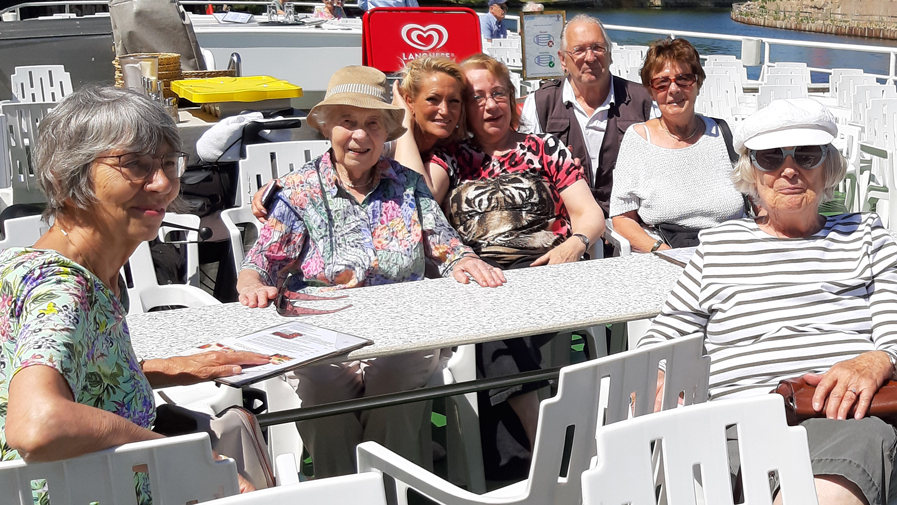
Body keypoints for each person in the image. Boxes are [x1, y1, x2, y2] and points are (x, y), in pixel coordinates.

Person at [0, 86, 269, 503]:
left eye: (168, 163)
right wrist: (168, 452)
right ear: (65, 177)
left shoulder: (91, 269)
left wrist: (168, 368)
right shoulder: (61, 288)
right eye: (135, 166)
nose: (162, 184)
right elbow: (38, 425)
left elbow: (81, 375)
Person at [236, 65, 505, 478]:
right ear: (328, 127)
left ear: (386, 133)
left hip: (403, 327)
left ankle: (384, 488)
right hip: (321, 329)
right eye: (348, 122)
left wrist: (464, 259)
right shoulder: (299, 189)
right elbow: (264, 261)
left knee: (394, 380)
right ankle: (352, 489)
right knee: (326, 391)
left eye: (372, 124)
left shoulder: (408, 185)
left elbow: (446, 247)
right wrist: (252, 281)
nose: (360, 136)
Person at [639, 98, 897, 505]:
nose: (789, 170)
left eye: (807, 155)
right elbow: (663, 336)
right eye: (771, 158)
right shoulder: (719, 246)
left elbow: (893, 328)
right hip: (732, 425)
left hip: (835, 418)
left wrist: (874, 360)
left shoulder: (865, 235)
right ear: (751, 173)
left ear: (828, 167)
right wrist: (656, 375)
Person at [426, 53, 605, 480]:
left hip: (547, 272)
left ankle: (517, 468)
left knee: (493, 332)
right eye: (476, 97)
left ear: (514, 100)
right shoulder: (451, 157)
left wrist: (575, 244)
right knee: (492, 322)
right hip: (484, 280)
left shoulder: (544, 147)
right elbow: (418, 202)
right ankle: (547, 442)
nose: (491, 105)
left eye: (499, 94)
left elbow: (589, 213)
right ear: (463, 109)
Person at [608, 38, 745, 252]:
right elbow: (622, 219)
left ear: (698, 83)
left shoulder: (724, 134)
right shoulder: (638, 140)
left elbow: (760, 203)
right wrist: (662, 252)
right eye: (662, 83)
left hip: (729, 253)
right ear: (651, 91)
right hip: (664, 254)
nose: (673, 89)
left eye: (683, 79)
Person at [520, 14, 655, 217]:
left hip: (631, 221)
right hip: (564, 222)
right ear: (562, 59)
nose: (590, 57)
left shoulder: (643, 100)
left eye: (598, 48)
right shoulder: (540, 104)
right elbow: (525, 171)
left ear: (610, 54)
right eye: (579, 50)